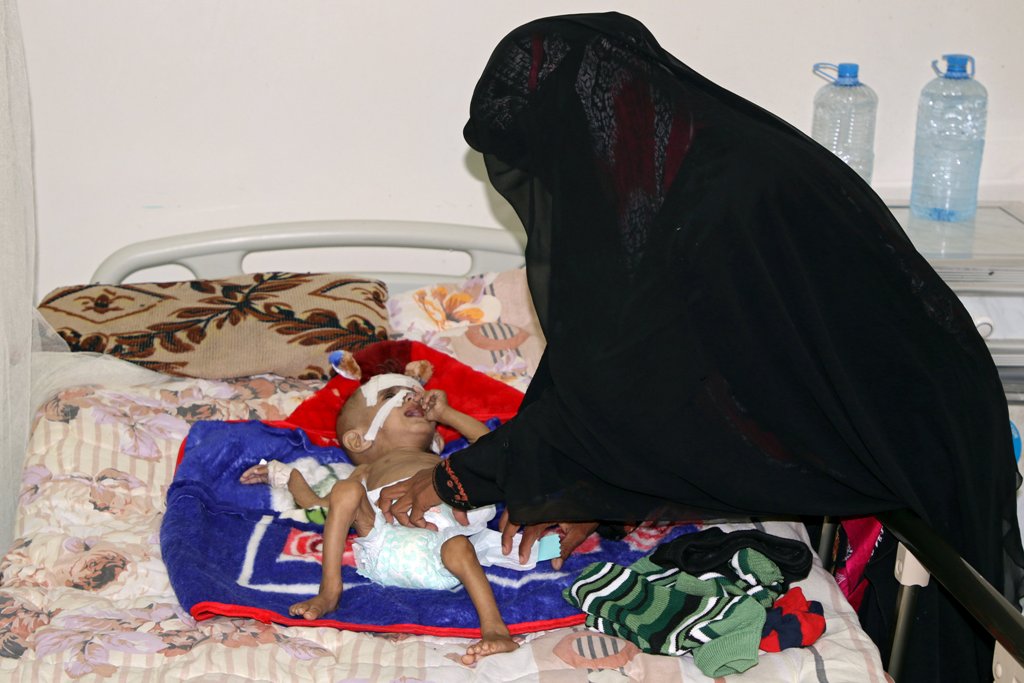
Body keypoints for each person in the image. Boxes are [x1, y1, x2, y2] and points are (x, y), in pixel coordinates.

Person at [377, 12, 1024, 683]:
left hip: (916, 424)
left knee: (935, 645)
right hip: (887, 410)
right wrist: (576, 488)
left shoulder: (719, 198)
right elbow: (613, 366)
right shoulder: (694, 169)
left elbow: (638, 377)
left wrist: (465, 477)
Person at [241, 375, 518, 665]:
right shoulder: (367, 471)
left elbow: (491, 449)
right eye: (391, 395)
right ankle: (329, 591)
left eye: (414, 393)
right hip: (385, 541)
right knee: (345, 491)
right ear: (358, 439)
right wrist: (288, 477)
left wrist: (446, 413)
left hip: (443, 544)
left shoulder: (442, 464)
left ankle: (494, 629)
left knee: (458, 546)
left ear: (436, 438)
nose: (412, 397)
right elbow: (323, 507)